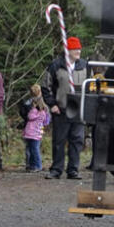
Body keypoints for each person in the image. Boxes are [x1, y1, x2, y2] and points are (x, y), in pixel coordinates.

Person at [43, 36, 88, 179]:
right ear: (68, 50)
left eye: (79, 49)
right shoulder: (56, 65)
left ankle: (73, 170)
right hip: (61, 109)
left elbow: (92, 87)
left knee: (77, 141)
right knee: (59, 141)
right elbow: (46, 86)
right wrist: (52, 104)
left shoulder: (85, 66)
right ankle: (56, 169)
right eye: (75, 49)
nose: (78, 51)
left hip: (78, 110)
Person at [21, 83, 51, 172]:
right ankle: (33, 165)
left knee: (32, 148)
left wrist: (32, 111)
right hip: (38, 130)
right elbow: (47, 119)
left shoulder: (30, 104)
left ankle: (33, 165)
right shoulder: (44, 106)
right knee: (34, 148)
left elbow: (28, 116)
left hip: (31, 131)